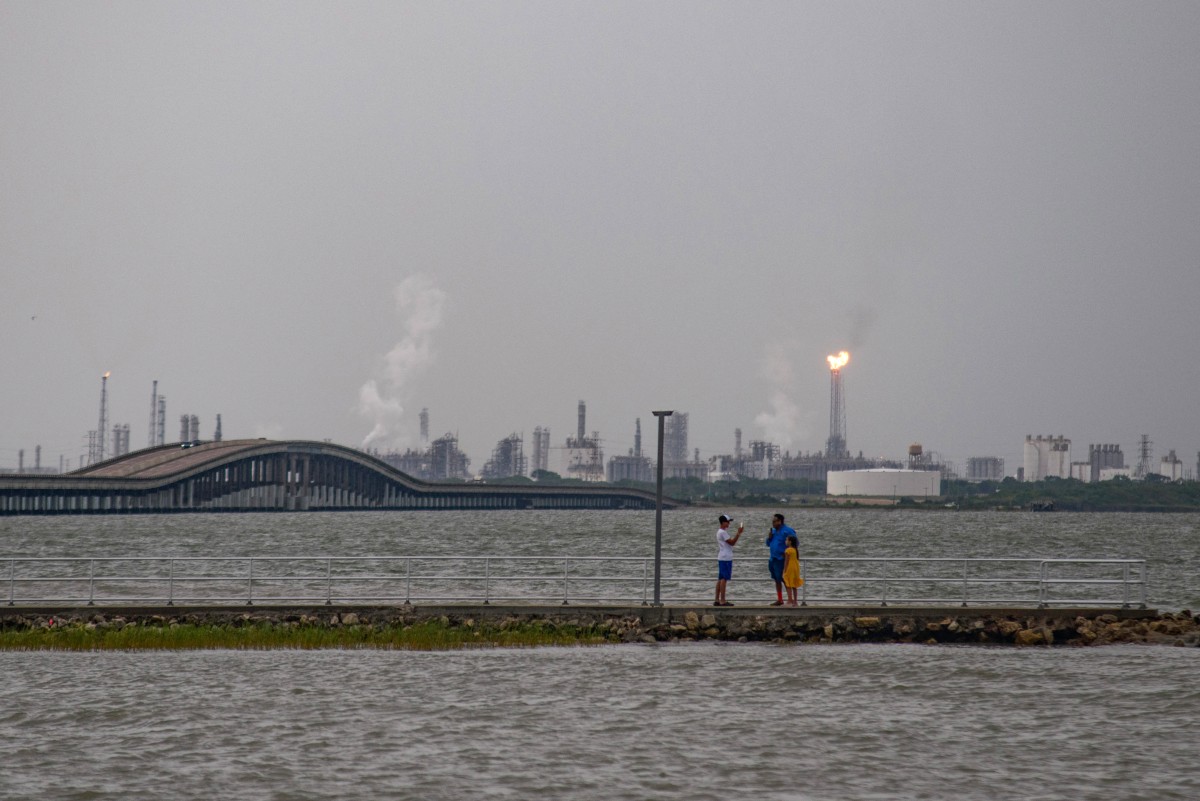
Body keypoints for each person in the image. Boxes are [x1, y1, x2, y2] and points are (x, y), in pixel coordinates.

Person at [765, 513, 796, 606]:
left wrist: (787, 552)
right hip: (773, 558)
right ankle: (780, 599)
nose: (773, 523)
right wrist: (769, 537)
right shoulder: (773, 531)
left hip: (782, 559)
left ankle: (790, 599)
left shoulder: (788, 531)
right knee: (776, 579)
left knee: (785, 579)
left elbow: (795, 543)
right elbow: (767, 543)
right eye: (772, 521)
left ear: (780, 521)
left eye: (775, 521)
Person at [714, 514, 744, 607]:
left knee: (720, 578)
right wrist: (738, 533)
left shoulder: (719, 532)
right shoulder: (723, 532)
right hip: (726, 557)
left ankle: (716, 599)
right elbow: (732, 543)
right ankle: (722, 600)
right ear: (723, 522)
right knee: (724, 579)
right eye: (727, 522)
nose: (729, 523)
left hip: (722, 557)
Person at [782, 534, 803, 607]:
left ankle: (789, 600)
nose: (785, 541)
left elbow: (786, 561)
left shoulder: (788, 550)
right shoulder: (795, 550)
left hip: (790, 568)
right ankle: (795, 602)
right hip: (796, 568)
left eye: (786, 540)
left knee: (788, 584)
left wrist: (784, 570)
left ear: (790, 542)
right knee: (794, 585)